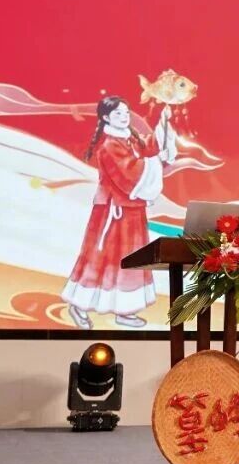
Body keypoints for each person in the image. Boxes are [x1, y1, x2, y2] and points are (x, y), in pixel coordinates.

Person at [63, 96, 176, 329]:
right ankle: (78, 304)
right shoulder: (109, 146)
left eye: (126, 112)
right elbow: (131, 173)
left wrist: (163, 123)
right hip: (112, 214)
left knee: (131, 259)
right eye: (118, 114)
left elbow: (151, 147)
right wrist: (154, 162)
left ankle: (125, 309)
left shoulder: (130, 139)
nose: (124, 117)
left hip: (132, 211)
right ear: (106, 117)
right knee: (100, 259)